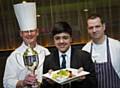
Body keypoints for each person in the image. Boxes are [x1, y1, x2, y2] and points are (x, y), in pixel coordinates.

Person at [3, 2, 50, 88]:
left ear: (37, 32)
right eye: (25, 31)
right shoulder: (14, 56)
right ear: (21, 33)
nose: (29, 34)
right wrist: (23, 83)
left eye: (32, 30)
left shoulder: (46, 52)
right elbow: (7, 82)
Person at [42, 21, 97, 88]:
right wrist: (50, 83)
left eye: (65, 38)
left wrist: (81, 81)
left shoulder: (84, 56)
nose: (61, 41)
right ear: (53, 40)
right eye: (57, 38)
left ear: (71, 39)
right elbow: (44, 86)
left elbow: (94, 84)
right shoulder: (48, 60)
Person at [82, 13, 120, 88]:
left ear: (104, 27)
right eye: (91, 28)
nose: (94, 30)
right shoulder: (85, 50)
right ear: (88, 30)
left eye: (97, 26)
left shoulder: (117, 46)